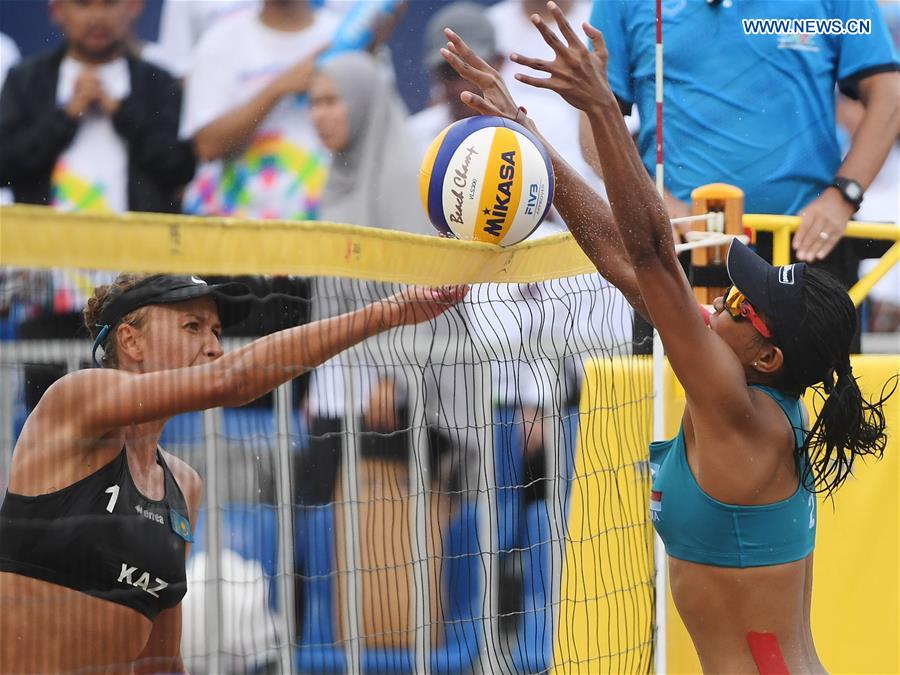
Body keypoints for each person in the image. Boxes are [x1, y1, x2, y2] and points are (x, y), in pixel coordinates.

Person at [439, 5, 892, 671]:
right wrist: (526, 135)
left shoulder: (737, 410)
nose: (726, 299)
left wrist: (602, 109)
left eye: (743, 304)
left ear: (768, 356)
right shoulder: (748, 385)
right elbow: (624, 263)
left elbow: (652, 254)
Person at [0, 272, 465, 672]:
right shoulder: (74, 400)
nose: (214, 348)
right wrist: (390, 313)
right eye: (193, 326)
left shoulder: (182, 486)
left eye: (217, 332)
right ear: (130, 340)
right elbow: (233, 380)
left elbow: (160, 663)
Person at [589, 0, 899, 299]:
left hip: (807, 247)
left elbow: (889, 96)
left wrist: (843, 196)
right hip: (681, 247)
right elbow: (593, 126)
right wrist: (652, 201)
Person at [0, 0, 197, 411]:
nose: (97, 16)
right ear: (57, 11)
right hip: (47, 292)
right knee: (52, 423)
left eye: (109, 3)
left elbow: (178, 165)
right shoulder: (27, 79)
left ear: (133, 8)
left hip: (136, 294)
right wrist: (67, 115)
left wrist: (119, 112)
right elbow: (6, 165)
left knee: (138, 420)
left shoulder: (156, 81)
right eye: (83, 4)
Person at [179, 0, 339, 220]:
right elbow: (207, 146)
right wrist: (278, 88)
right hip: (233, 226)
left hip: (326, 223)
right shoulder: (220, 41)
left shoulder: (342, 36)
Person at [409, 2, 503, 155]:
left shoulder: (536, 123)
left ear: (499, 63)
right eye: (449, 72)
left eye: (473, 71)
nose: (461, 89)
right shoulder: (414, 138)